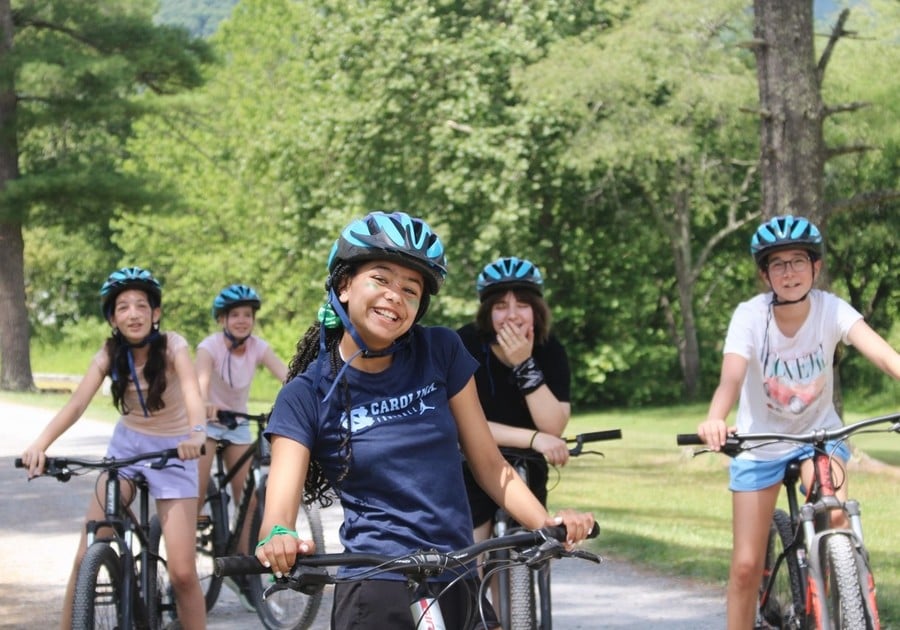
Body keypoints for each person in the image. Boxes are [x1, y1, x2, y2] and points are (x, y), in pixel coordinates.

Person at [254, 211, 595, 630]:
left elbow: (491, 468)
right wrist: (279, 538)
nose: (395, 296)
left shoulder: (442, 351)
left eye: (410, 289)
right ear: (343, 286)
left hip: (456, 575)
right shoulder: (305, 395)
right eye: (381, 279)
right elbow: (278, 511)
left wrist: (548, 524)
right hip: (374, 585)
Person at [695, 215, 900, 630]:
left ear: (816, 267)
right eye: (778, 263)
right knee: (746, 566)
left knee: (837, 516)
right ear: (764, 273)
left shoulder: (832, 309)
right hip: (759, 444)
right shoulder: (750, 316)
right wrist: (715, 419)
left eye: (798, 261)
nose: (789, 272)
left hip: (819, 438)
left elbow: (882, 354)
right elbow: (731, 378)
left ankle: (839, 604)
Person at [20, 266, 208, 630]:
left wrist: (197, 434)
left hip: (176, 448)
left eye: (141, 305)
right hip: (127, 446)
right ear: (112, 317)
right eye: (123, 307)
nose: (133, 314)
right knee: (84, 554)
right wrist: (40, 444)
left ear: (156, 314)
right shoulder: (108, 353)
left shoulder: (173, 345)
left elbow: (192, 396)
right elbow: (76, 405)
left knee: (184, 573)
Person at [457, 256, 572, 548]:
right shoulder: (464, 345)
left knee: (534, 547)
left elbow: (554, 425)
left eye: (522, 304)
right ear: (487, 312)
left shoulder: (550, 349)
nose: (512, 315)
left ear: (536, 310)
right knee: (472, 550)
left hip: (528, 464)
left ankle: (518, 592)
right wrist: (535, 438)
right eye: (500, 306)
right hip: (469, 460)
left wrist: (524, 364)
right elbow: (462, 424)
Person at [195, 283, 287, 609]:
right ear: (223, 318)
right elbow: (201, 383)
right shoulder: (209, 347)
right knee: (196, 487)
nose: (241, 320)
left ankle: (244, 571)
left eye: (247, 315)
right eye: (235, 315)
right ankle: (187, 572)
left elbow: (286, 376)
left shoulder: (258, 347)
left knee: (248, 500)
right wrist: (205, 402)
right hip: (206, 424)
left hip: (237, 426)